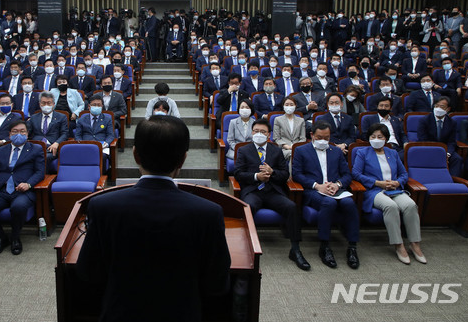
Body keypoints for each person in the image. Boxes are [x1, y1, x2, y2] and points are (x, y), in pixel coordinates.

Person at [77, 115, 230, 320]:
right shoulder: (209, 213)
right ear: (183, 159)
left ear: (135, 155)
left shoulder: (102, 206)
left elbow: (89, 273)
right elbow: (218, 284)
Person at [234, 119, 309, 270]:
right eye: (256, 131)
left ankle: (295, 250)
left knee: (291, 207)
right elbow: (238, 173)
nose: (259, 134)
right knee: (248, 207)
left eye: (263, 132)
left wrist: (272, 172)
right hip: (253, 191)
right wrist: (256, 176)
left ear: (269, 135)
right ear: (251, 133)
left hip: (273, 191)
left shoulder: (276, 150)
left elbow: (284, 174)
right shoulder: (244, 150)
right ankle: (245, 247)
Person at [352, 124, 426, 264]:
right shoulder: (362, 152)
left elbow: (404, 173)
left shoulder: (392, 153)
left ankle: (415, 243)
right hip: (374, 191)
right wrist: (377, 183)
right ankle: (399, 245)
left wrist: (397, 182)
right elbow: (356, 174)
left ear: (386, 139)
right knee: (391, 206)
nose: (376, 139)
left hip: (394, 189)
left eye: (380, 137)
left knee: (410, 205)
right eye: (373, 137)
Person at [292, 121, 360, 269]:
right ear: (312, 135)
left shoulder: (335, 151)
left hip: (336, 190)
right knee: (329, 203)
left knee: (349, 203)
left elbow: (347, 175)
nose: (323, 140)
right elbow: (297, 175)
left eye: (326, 138)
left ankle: (352, 247)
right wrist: (318, 186)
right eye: (319, 137)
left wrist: (337, 185)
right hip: (314, 191)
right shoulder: (301, 150)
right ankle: (325, 246)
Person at [0, 120, 45, 256]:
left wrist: (29, 184)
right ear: (9, 134)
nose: (18, 134)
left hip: (23, 191)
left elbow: (40, 172)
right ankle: (0, 238)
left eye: (22, 131)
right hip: (1, 190)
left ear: (27, 134)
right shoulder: (1, 150)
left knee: (18, 207)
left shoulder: (35, 149)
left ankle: (15, 237)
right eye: (15, 131)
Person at [417, 96, 463, 177]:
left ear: (448, 109)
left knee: (457, 159)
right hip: (428, 148)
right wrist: (438, 152)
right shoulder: (424, 120)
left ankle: (452, 182)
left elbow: (451, 141)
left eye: (442, 107)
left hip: (445, 150)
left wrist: (448, 154)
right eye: (436, 106)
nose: (438, 108)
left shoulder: (452, 122)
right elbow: (422, 139)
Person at [27, 91, 69, 165]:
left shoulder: (61, 117)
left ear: (53, 104)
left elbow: (65, 134)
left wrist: (57, 143)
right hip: (36, 147)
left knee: (43, 157)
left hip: (52, 147)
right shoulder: (34, 117)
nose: (46, 105)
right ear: (40, 104)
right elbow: (27, 133)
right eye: (43, 103)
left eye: (49, 103)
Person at [273, 96, 306, 162]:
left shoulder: (301, 120)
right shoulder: (278, 120)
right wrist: (287, 146)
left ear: (295, 106)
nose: (289, 106)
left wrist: (295, 147)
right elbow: (276, 138)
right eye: (287, 104)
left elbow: (303, 138)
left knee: (296, 154)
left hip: (297, 148)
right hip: (284, 148)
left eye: (291, 104)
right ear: (283, 106)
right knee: (292, 154)